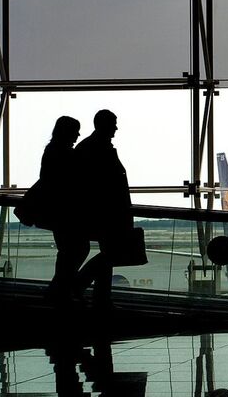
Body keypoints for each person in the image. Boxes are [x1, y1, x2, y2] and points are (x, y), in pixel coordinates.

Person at [74, 109, 132, 309]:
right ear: (103, 125)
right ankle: (84, 289)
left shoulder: (89, 148)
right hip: (104, 215)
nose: (116, 127)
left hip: (101, 214)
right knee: (109, 256)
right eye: (113, 123)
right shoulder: (97, 149)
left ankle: (100, 297)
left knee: (108, 256)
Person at [41, 116, 91, 305]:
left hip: (58, 212)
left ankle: (59, 291)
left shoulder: (52, 151)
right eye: (75, 130)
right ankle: (60, 291)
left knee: (68, 252)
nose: (78, 134)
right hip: (67, 213)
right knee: (76, 250)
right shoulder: (66, 154)